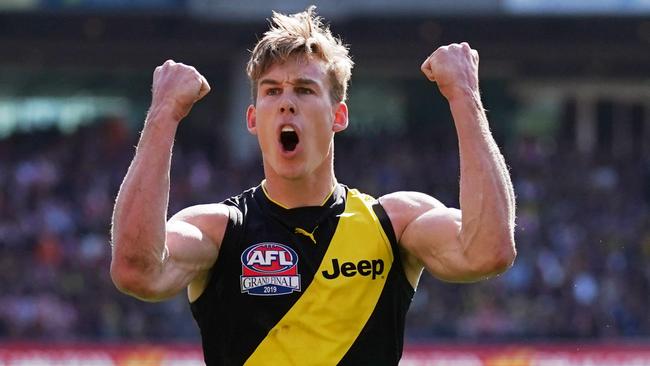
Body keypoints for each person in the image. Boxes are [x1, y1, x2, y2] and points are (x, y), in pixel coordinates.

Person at [110, 6, 516, 366]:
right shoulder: (220, 229)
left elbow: (488, 252)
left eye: (304, 90)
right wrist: (163, 114)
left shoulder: (394, 223)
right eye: (272, 92)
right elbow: (136, 272)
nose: (287, 103)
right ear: (253, 119)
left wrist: (465, 96)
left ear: (339, 115)